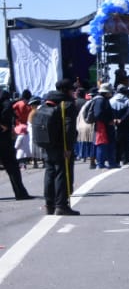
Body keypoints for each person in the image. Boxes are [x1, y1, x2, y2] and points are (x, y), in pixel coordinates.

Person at [31, 81, 79, 215]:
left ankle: (49, 204)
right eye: (71, 90)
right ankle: (61, 205)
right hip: (61, 144)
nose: (73, 92)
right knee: (62, 173)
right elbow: (69, 128)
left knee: (50, 172)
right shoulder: (67, 104)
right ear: (65, 90)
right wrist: (68, 147)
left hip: (47, 144)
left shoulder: (46, 103)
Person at [0, 89, 34, 200]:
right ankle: (20, 193)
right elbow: (6, 117)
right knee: (13, 168)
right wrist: (5, 126)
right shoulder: (6, 103)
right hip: (4, 140)